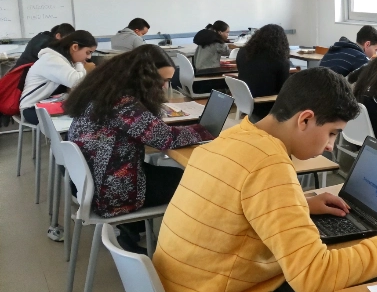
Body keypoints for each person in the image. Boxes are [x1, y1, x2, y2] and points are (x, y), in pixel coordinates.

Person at [152, 67, 377, 292]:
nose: (330, 146)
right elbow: (315, 279)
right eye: (332, 133)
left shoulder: (234, 138)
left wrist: (301, 204)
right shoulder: (268, 164)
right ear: (305, 119)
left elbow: (236, 203)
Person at [64, 45, 213, 253]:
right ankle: (186, 250)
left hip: (91, 183)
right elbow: (166, 139)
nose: (164, 87)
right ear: (143, 79)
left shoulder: (104, 93)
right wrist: (207, 130)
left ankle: (131, 229)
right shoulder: (123, 104)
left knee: (173, 175)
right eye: (161, 81)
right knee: (195, 183)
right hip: (111, 194)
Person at [19, 30, 97, 125]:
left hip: (49, 105)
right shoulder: (51, 59)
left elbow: (78, 85)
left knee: (88, 113)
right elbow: (76, 82)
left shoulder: (64, 60)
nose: (89, 57)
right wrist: (81, 64)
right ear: (75, 47)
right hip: (32, 109)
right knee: (81, 120)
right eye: (88, 52)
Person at [236, 24, 291, 120]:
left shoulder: (242, 52)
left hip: (245, 100)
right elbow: (284, 88)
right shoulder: (280, 60)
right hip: (266, 104)